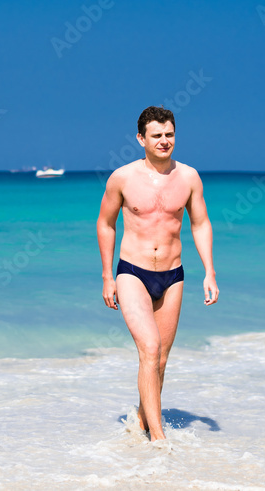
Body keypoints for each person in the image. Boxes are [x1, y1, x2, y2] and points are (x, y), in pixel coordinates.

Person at [97, 105, 218, 441]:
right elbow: (106, 224)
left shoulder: (189, 177)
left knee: (160, 359)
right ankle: (159, 438)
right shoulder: (123, 178)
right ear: (141, 138)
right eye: (156, 135)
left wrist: (209, 271)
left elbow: (200, 222)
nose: (164, 141)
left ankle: (140, 419)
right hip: (132, 273)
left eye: (169, 135)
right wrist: (108, 276)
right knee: (149, 348)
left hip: (173, 274)